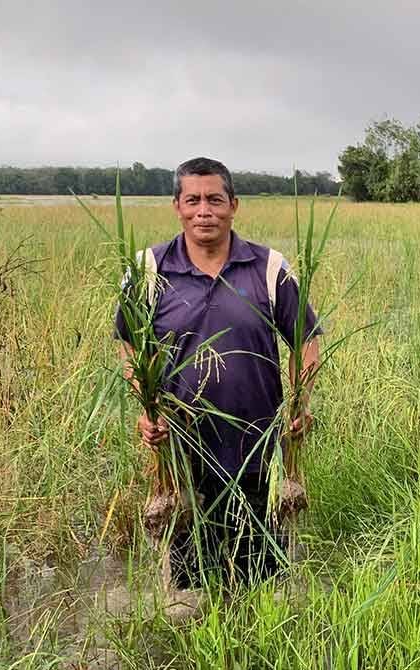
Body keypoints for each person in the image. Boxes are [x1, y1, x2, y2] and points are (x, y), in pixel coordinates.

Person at [115, 156, 320, 587]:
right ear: (176, 206)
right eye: (192, 200)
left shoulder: (269, 270)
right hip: (183, 453)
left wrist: (298, 405)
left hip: (259, 447)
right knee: (192, 581)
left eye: (214, 199)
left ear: (234, 206)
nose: (203, 210)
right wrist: (147, 410)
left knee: (262, 577)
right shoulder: (148, 271)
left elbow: (306, 341)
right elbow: (130, 346)